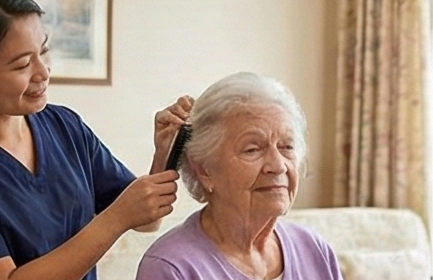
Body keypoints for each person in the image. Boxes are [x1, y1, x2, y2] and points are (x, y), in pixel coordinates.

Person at [0, 0, 187, 280]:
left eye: (44, 51)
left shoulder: (65, 127)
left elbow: (145, 220)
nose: (43, 72)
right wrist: (114, 220)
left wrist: (164, 155)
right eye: (22, 64)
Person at [134, 74, 344, 280]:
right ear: (204, 171)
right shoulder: (171, 268)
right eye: (252, 149)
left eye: (287, 147)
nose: (278, 166)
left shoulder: (315, 250)